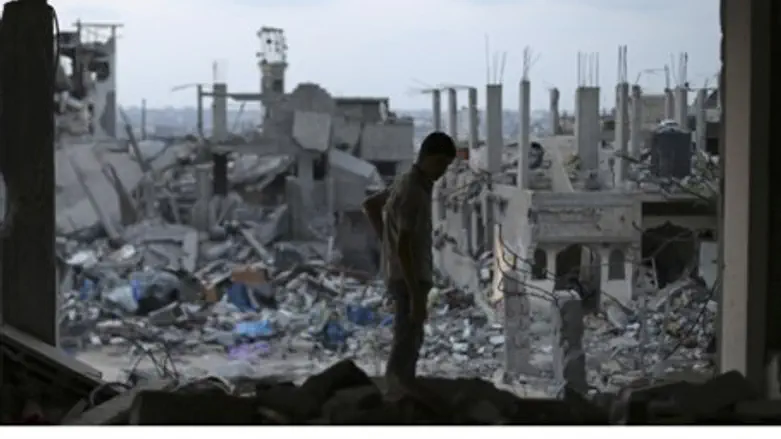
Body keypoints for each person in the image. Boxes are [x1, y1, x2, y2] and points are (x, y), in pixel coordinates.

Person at [361, 131, 457, 394]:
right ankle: (396, 399)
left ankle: (397, 394)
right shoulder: (414, 190)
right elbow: (404, 243)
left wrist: (386, 245)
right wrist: (416, 295)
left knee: (405, 338)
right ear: (427, 157)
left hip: (401, 274)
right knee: (407, 343)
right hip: (409, 278)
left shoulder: (405, 182)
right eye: (441, 164)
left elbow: (371, 206)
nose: (442, 172)